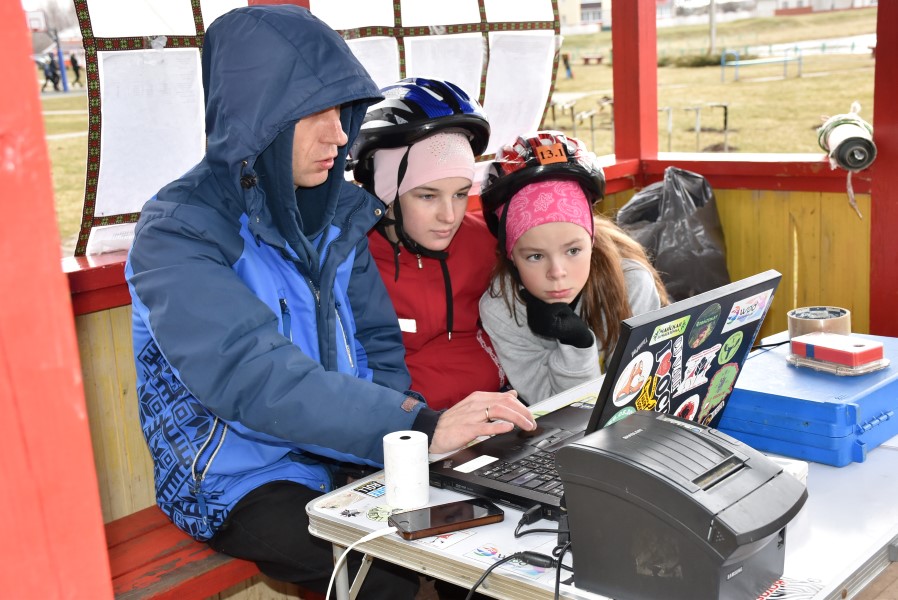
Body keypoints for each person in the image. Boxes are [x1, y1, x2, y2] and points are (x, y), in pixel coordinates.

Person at [125, 6, 535, 599]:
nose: (340, 135)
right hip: (240, 478)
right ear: (257, 115)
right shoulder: (179, 232)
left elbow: (377, 343)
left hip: (347, 451)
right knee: (381, 572)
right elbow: (252, 378)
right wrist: (415, 427)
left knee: (485, 525)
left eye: (342, 112)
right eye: (315, 114)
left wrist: (399, 441)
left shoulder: (334, 210)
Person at [478, 131, 669, 403]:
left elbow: (635, 394)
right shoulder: (501, 310)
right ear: (510, 255)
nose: (557, 272)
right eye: (535, 256)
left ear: (591, 240)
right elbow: (556, 407)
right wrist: (577, 345)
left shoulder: (632, 283)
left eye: (573, 251)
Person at [350, 77, 506, 410]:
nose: (449, 216)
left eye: (460, 194)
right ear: (386, 193)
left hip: (501, 415)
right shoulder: (349, 261)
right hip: (403, 431)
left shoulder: (486, 243)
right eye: (427, 196)